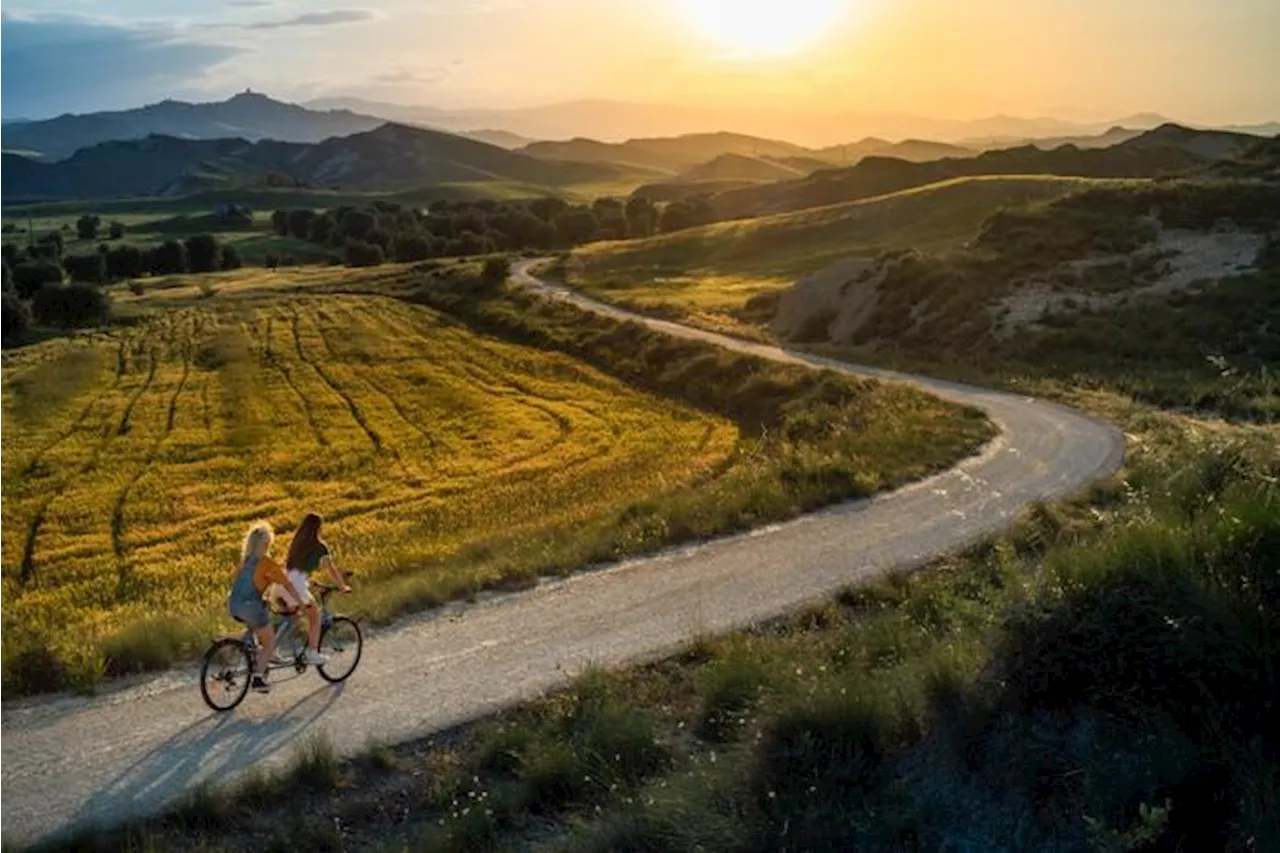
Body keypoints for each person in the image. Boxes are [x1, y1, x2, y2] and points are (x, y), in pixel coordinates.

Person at [227, 521, 297, 694]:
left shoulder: (244, 562)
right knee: (270, 642)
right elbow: (286, 584)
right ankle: (258, 678)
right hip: (251, 608)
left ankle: (257, 657)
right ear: (266, 544)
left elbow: (243, 584)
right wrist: (300, 603)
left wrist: (262, 597)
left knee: (259, 630)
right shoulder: (266, 563)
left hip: (234, 605)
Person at [284, 512, 350, 665]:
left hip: (284, 581)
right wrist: (342, 586)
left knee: (294, 616)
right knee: (315, 616)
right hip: (297, 583)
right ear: (318, 528)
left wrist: (310, 580)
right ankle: (312, 652)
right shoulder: (320, 546)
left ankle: (292, 648)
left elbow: (297, 569)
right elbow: (331, 569)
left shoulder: (297, 543)